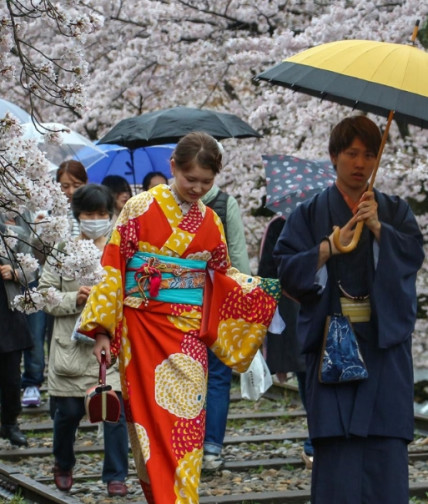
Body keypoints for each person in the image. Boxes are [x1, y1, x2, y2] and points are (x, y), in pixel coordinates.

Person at [78, 132, 280, 503]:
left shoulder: (211, 222)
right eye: (191, 179)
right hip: (141, 329)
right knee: (149, 427)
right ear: (173, 167)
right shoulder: (139, 207)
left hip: (188, 336)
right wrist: (103, 330)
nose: (198, 188)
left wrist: (258, 294)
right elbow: (113, 267)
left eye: (207, 182)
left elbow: (221, 277)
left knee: (186, 426)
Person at [274, 115, 425, 503]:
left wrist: (378, 229)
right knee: (336, 452)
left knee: (386, 448)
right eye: (351, 154)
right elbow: (286, 271)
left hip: (382, 344)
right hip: (332, 344)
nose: (360, 164)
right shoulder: (309, 213)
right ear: (333, 156)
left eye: (369, 155)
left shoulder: (394, 211)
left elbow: (412, 256)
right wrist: (326, 247)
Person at [38, 184, 129, 496]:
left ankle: (116, 476)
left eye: (103, 213)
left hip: (107, 349)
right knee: (70, 414)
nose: (96, 219)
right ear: (78, 216)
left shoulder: (118, 250)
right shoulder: (62, 250)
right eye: (89, 213)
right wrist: (74, 298)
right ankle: (63, 462)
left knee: (114, 413)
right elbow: (44, 295)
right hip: (70, 349)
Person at [21, 161, 88, 408]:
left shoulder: (89, 213)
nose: (70, 191)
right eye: (65, 186)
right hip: (48, 280)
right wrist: (38, 234)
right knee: (37, 334)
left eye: (76, 185)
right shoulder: (46, 215)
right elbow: (36, 258)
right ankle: (33, 382)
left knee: (70, 333)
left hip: (78, 284)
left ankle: (74, 382)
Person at [201, 182, 251, 470]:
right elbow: (239, 256)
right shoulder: (224, 202)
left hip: (182, 302)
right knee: (219, 377)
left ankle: (186, 444)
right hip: (220, 299)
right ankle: (211, 449)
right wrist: (243, 302)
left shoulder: (168, 202)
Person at [258, 214, 313, 467]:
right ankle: (318, 439)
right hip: (302, 307)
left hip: (296, 307)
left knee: (307, 372)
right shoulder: (283, 224)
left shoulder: (280, 224)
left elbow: (266, 274)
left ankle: (316, 441)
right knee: (310, 372)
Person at [0, 213, 35, 446]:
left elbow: (32, 271)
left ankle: (10, 422)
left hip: (8, 310)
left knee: (12, 377)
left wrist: (14, 272)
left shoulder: (15, 234)